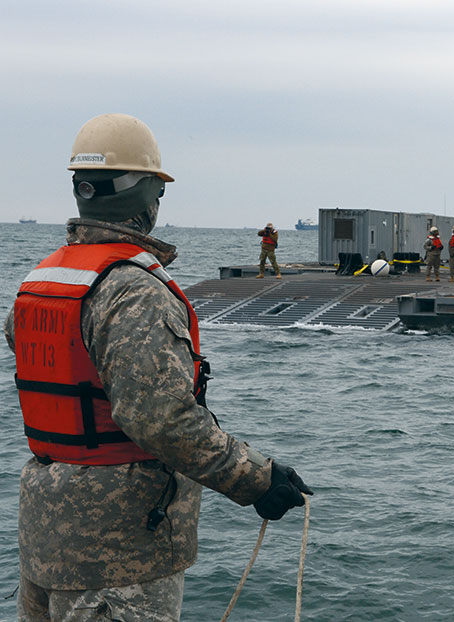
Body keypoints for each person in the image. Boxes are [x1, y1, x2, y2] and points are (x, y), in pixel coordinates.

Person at [8, 113, 311, 622]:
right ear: (145, 194)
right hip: (118, 558)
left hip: (45, 540)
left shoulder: (41, 281)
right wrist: (256, 478)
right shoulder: (134, 291)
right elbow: (162, 418)